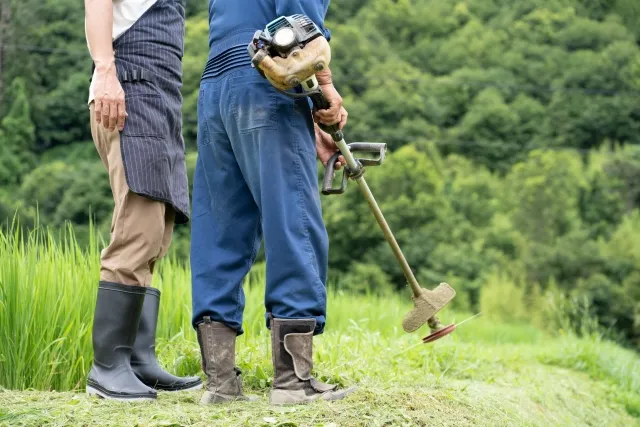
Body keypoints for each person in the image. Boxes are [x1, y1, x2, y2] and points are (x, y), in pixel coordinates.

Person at [191, 0, 356, 405]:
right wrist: (326, 92)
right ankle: (293, 382)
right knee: (292, 219)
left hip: (216, 90)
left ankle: (220, 384)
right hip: (267, 88)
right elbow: (302, 36)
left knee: (220, 228)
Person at [84, 0, 201, 401]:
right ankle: (107, 368)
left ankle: (137, 360)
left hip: (159, 97)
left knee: (156, 232)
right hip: (128, 89)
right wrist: (104, 71)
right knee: (138, 226)